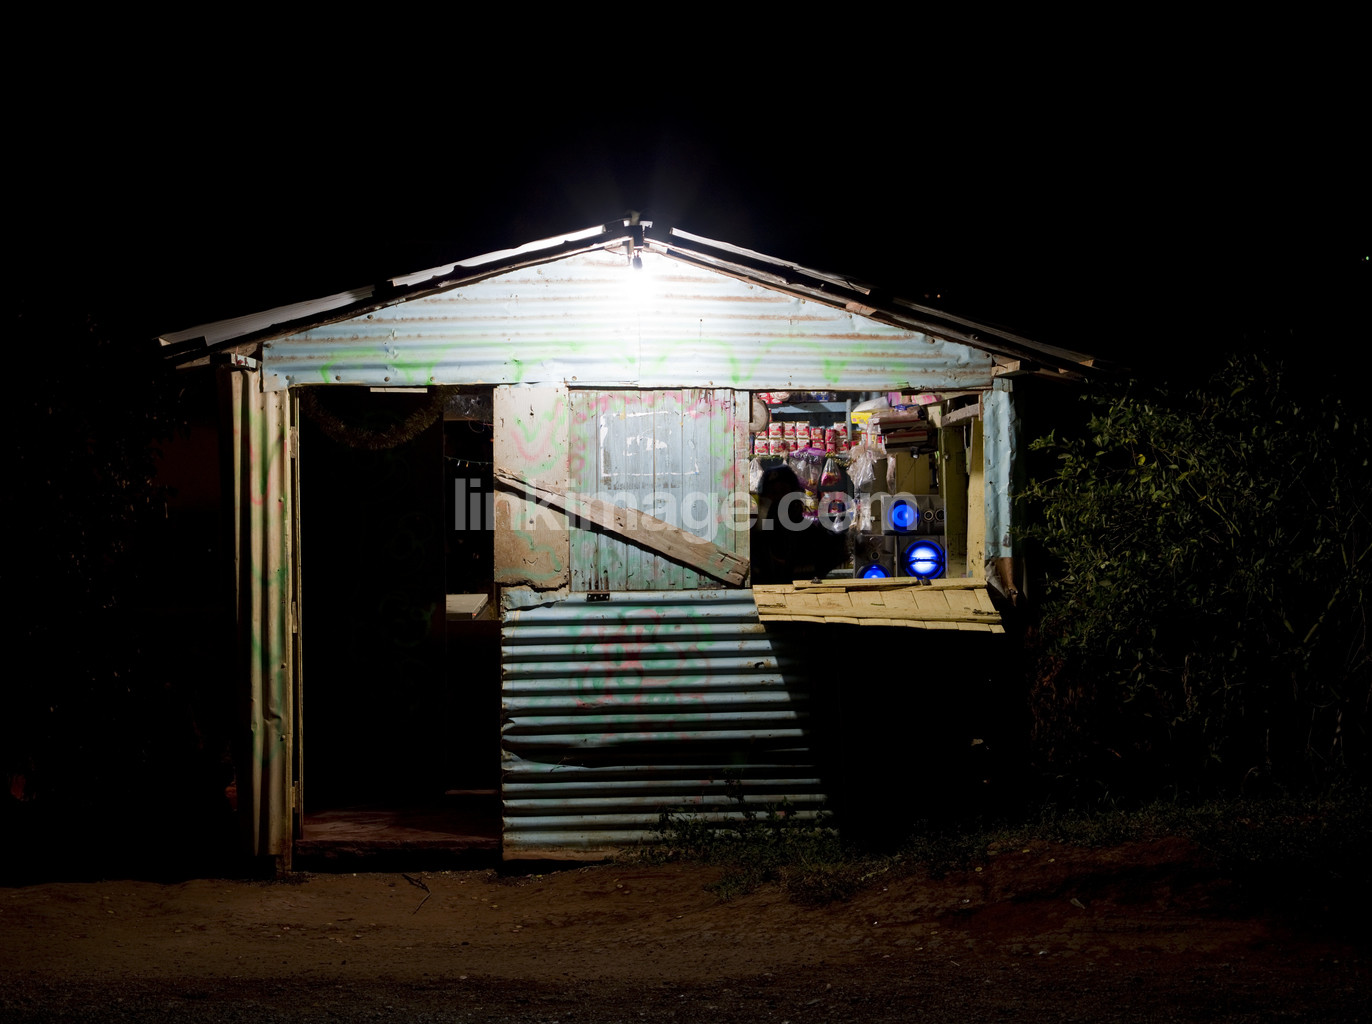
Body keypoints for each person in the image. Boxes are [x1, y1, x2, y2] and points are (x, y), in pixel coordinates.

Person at [750, 466, 848, 584]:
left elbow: (835, 555)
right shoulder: (753, 543)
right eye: (772, 493)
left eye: (783, 492)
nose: (779, 500)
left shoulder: (813, 538)